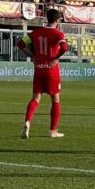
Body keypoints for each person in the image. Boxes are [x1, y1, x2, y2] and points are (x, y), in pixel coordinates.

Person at [16, 9, 68, 139]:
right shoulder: (58, 34)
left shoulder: (36, 32)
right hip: (52, 71)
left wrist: (32, 55)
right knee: (55, 99)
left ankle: (27, 122)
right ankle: (52, 131)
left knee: (35, 98)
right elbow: (65, 48)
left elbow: (20, 43)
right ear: (57, 20)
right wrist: (56, 58)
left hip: (39, 68)